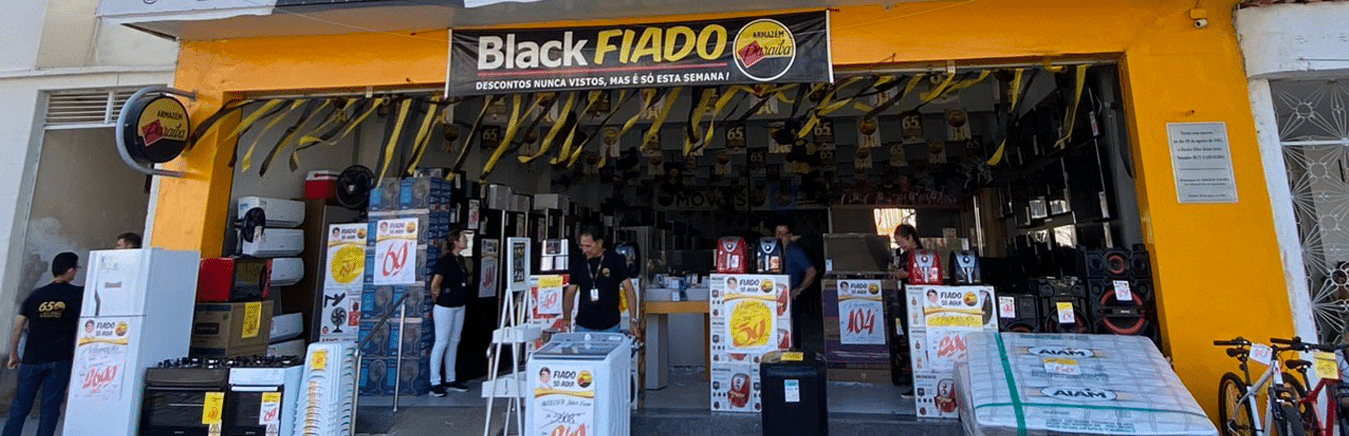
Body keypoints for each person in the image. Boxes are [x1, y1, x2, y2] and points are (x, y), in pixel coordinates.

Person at [4, 252, 83, 436]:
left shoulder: (35, 295)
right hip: (59, 359)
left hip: (31, 359)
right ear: (71, 270)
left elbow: (18, 327)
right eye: (76, 268)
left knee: (19, 407)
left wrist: (13, 354)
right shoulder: (77, 293)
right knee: (49, 408)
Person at [563, 226, 640, 338]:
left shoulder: (615, 260)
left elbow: (629, 289)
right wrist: (566, 318)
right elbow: (570, 292)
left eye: (588, 246)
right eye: (582, 246)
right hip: (583, 326)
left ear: (599, 243)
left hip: (611, 326)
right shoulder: (578, 263)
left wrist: (633, 319)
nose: (584, 250)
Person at [428, 226, 472, 396]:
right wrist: (438, 300)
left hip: (459, 305)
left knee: (454, 341)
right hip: (445, 306)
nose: (466, 240)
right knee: (442, 342)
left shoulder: (460, 260)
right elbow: (435, 284)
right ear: (455, 241)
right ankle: (435, 382)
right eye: (463, 237)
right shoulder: (445, 260)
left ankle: (451, 378)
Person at [776, 221, 817, 349]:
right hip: (772, 295)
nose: (779, 236)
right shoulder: (770, 250)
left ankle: (795, 356)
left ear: (790, 236)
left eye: (783, 234)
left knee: (792, 329)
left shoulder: (794, 251)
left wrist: (800, 289)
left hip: (790, 294)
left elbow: (811, 271)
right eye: (777, 233)